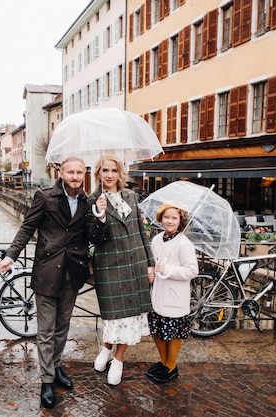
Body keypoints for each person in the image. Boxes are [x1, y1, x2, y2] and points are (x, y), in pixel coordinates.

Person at [0, 156, 91, 409]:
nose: (75, 176)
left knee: (62, 327)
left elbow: (90, 234)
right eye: (71, 172)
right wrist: (9, 256)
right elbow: (27, 228)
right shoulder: (45, 196)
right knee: (46, 330)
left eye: (79, 172)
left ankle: (56, 367)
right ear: (61, 173)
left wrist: (101, 216)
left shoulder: (87, 201)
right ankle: (47, 380)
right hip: (48, 271)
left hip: (73, 271)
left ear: (84, 174)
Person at [86, 154, 155, 386]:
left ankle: (118, 358)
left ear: (119, 173)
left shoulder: (131, 197)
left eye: (113, 171)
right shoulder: (92, 200)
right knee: (114, 317)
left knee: (132, 316)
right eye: (104, 170)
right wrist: (100, 215)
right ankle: (106, 347)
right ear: (98, 173)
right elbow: (93, 238)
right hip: (110, 267)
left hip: (135, 265)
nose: (109, 175)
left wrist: (150, 263)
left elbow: (141, 233)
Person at [146, 202, 199, 383]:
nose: (169, 221)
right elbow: (151, 262)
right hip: (157, 294)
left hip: (175, 296)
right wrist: (151, 270)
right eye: (166, 217)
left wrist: (168, 269)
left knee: (172, 333)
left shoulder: (184, 244)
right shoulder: (156, 239)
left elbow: (192, 271)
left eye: (174, 218)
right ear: (161, 219)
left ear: (180, 220)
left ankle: (171, 366)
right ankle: (163, 361)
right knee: (157, 331)